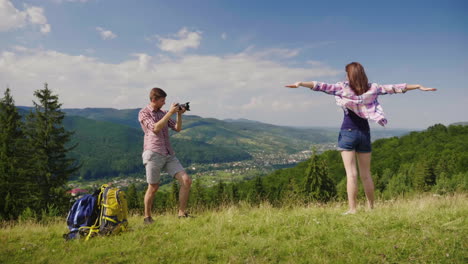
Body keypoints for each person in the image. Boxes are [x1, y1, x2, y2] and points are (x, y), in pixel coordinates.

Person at [285, 62, 436, 214]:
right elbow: (395, 87)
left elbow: (320, 85)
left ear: (349, 75)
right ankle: (371, 208)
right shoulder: (373, 88)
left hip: (348, 133)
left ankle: (353, 209)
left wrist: (301, 83)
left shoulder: (342, 87)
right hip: (364, 133)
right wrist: (417, 86)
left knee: (351, 175)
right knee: (366, 175)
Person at [138, 87, 192, 224]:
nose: (164, 103)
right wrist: (170, 113)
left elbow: (177, 129)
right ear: (154, 99)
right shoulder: (143, 113)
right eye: (162, 100)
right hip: (153, 153)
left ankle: (181, 213)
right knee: (153, 187)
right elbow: (155, 128)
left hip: (168, 153)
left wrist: (179, 114)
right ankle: (147, 217)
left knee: (186, 180)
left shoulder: (163, 112)